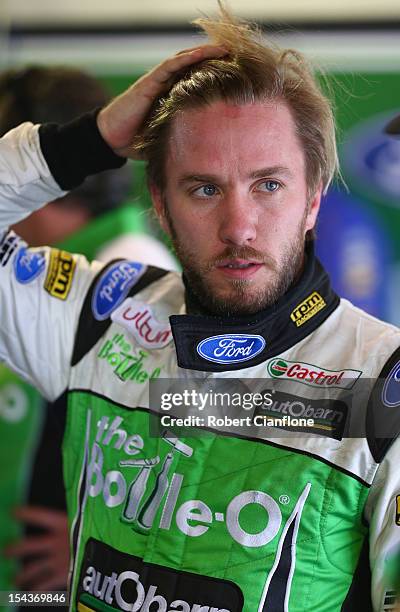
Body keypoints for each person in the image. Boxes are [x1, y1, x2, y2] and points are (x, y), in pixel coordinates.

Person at [0, 9, 399, 611]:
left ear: (313, 199)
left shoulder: (383, 382)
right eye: (204, 188)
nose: (239, 227)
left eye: (268, 184)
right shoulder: (101, 318)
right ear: (160, 203)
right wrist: (92, 138)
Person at [0, 65, 177, 607]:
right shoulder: (53, 261)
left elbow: (199, 459)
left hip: (51, 594)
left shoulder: (128, 269)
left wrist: (99, 543)